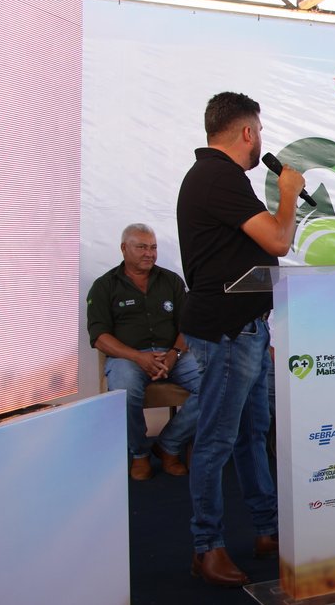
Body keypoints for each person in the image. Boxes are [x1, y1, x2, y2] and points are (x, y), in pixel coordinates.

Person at [177, 91, 304, 586]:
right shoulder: (219, 176)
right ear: (247, 132)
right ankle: (206, 546)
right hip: (227, 331)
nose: (262, 141)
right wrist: (288, 191)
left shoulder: (217, 177)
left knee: (252, 433)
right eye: (261, 131)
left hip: (246, 327)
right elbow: (278, 240)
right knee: (216, 440)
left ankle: (267, 528)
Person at [87, 223, 201, 480]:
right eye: (141, 247)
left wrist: (174, 354)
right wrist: (138, 357)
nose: (149, 253)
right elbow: (99, 337)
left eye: (153, 247)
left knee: (216, 384)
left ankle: (168, 445)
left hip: (173, 354)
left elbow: (188, 326)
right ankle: (139, 453)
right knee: (125, 389)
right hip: (127, 357)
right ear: (123, 248)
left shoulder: (171, 281)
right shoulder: (105, 286)